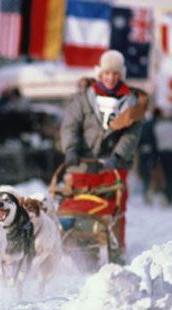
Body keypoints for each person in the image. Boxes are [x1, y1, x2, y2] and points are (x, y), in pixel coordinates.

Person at [61, 50, 147, 257]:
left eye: (115, 74)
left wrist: (118, 155)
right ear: (100, 74)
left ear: (121, 75)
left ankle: (117, 247)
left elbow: (132, 133)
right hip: (83, 161)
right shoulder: (84, 98)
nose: (111, 78)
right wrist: (70, 149)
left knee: (114, 207)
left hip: (114, 165)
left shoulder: (131, 101)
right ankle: (80, 247)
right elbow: (70, 126)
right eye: (107, 73)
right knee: (78, 203)